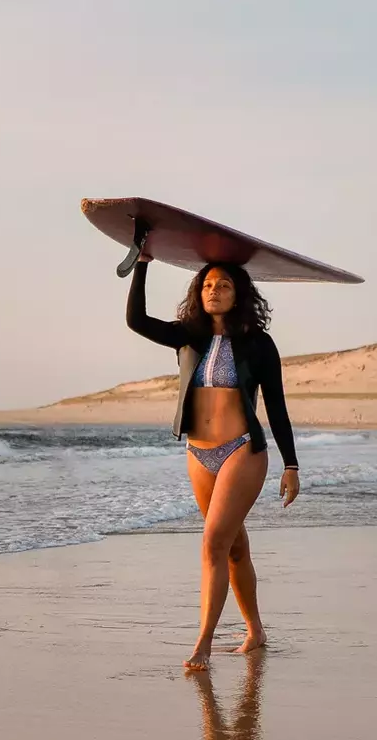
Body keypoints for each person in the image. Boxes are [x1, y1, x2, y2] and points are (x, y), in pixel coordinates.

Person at [122, 231, 301, 668]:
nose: (213, 291)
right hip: (199, 454)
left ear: (238, 294)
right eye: (206, 285)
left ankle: (202, 643)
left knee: (212, 544)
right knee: (234, 548)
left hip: (242, 449)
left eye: (222, 285)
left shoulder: (258, 343)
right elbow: (136, 320)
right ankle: (256, 631)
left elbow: (276, 405)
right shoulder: (188, 335)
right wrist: (142, 263)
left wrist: (291, 464)